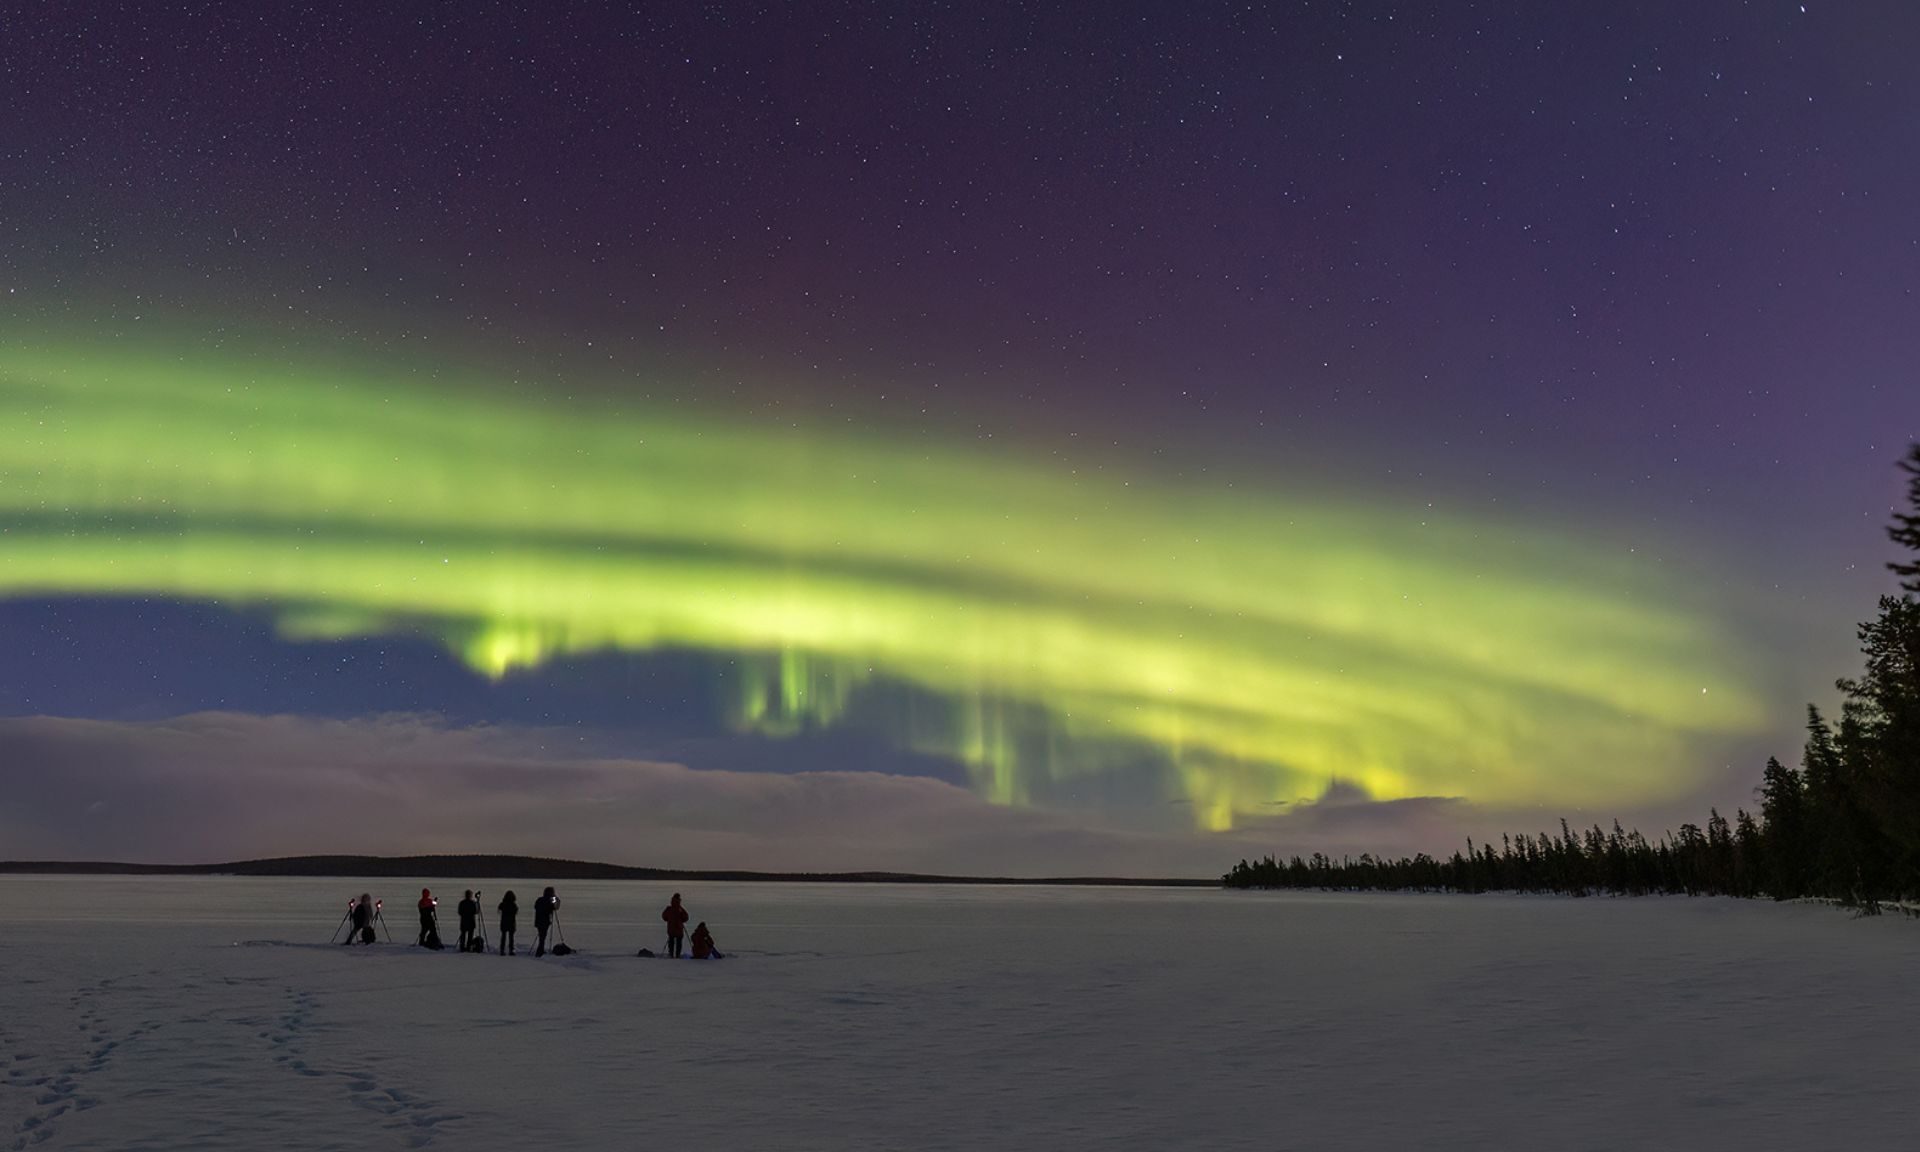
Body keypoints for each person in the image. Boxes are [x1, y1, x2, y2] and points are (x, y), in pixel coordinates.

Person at [533, 886, 559, 957]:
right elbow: (555, 907)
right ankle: (540, 951)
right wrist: (555, 898)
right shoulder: (549, 900)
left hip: (538, 921)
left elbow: (535, 907)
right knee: (542, 937)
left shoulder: (539, 899)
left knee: (542, 936)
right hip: (545, 921)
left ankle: (540, 950)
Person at [661, 893, 689, 958]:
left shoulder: (669, 909)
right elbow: (686, 917)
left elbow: (664, 916)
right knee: (678, 943)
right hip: (679, 928)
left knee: (671, 942)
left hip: (671, 929)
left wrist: (669, 919)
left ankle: (671, 954)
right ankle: (677, 955)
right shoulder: (680, 909)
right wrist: (682, 920)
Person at [497, 890, 519, 955]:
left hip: (504, 921)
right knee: (511, 937)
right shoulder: (513, 904)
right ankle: (511, 950)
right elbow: (516, 912)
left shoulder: (503, 904)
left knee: (503, 936)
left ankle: (502, 949)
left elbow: (499, 910)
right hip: (511, 922)